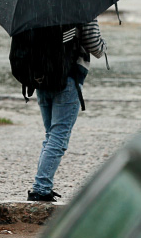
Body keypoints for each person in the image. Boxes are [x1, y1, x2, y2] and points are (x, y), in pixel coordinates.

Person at [28, 20, 106, 202]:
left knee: (51, 135)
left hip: (41, 76)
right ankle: (41, 188)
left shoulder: (41, 4)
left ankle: (41, 187)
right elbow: (94, 45)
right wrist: (104, 47)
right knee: (58, 137)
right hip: (67, 77)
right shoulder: (81, 7)